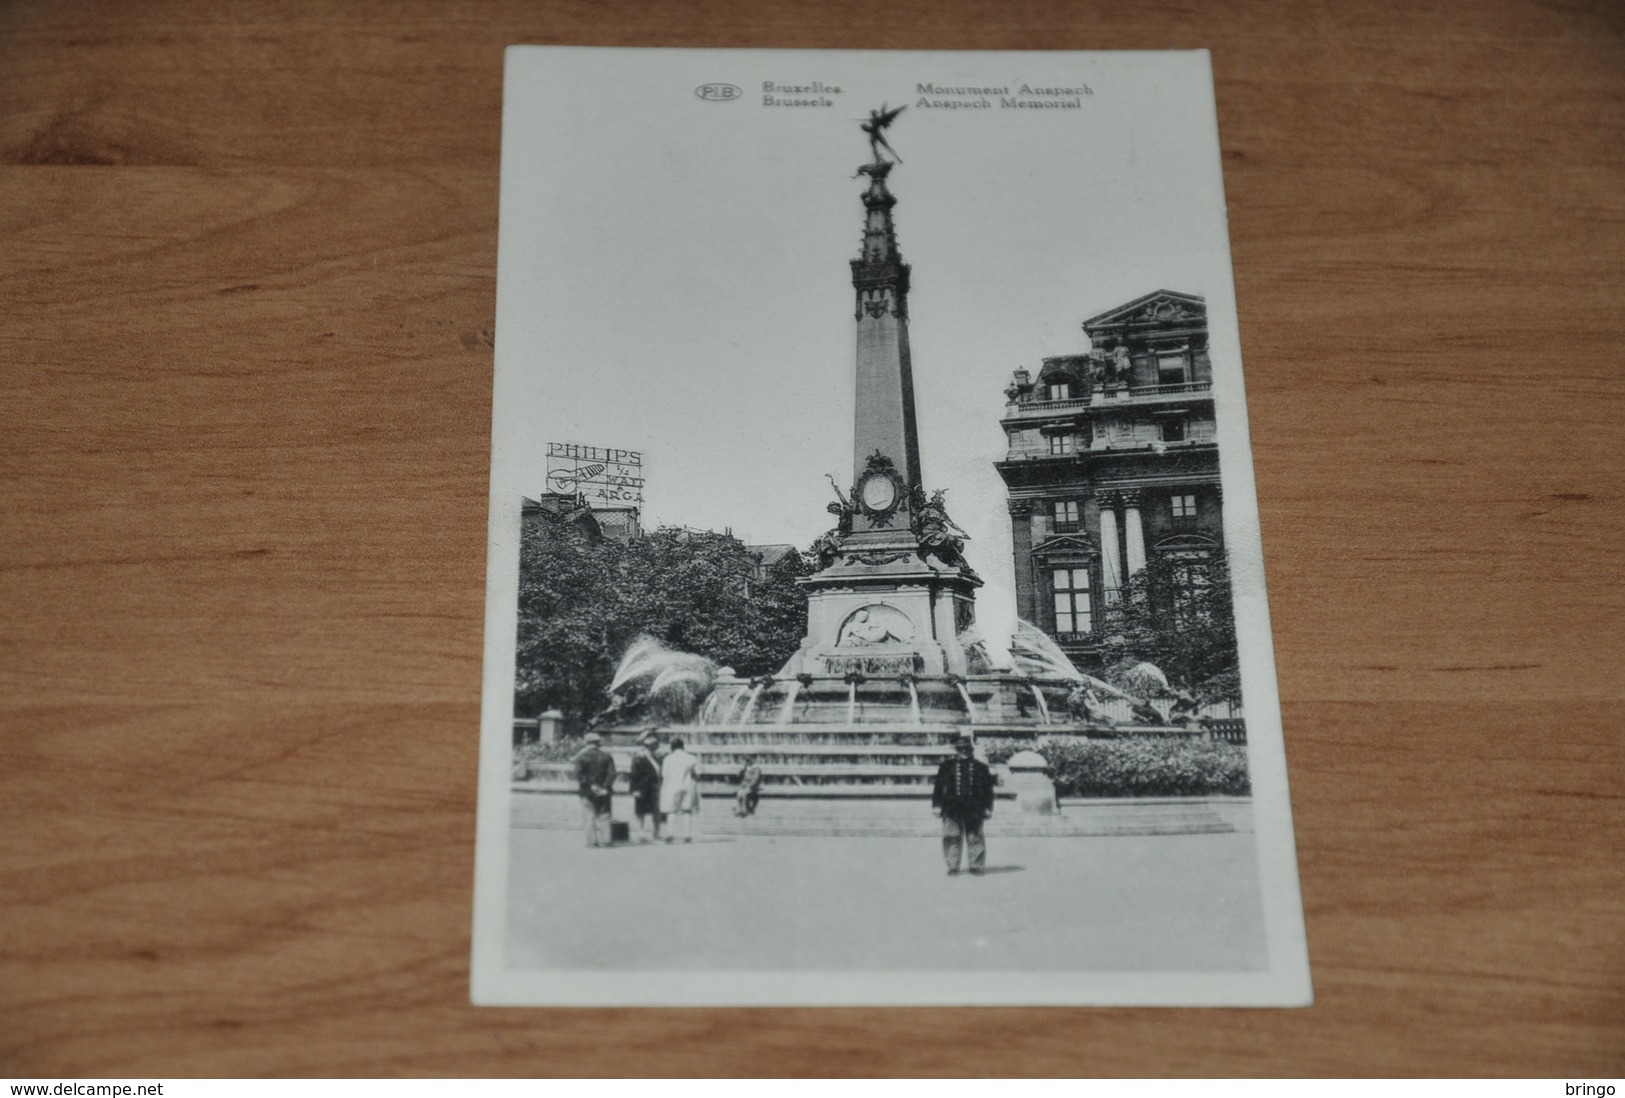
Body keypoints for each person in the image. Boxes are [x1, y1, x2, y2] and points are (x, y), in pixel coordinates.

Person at [931, 731, 996, 876]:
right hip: (952, 808)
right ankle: (953, 866)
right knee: (951, 836)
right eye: (961, 749)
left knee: (975, 836)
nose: (964, 752)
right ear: (957, 750)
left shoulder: (981, 768)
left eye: (967, 749)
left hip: (974, 808)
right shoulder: (947, 767)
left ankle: (976, 865)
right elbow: (939, 788)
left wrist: (988, 808)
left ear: (971, 750)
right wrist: (937, 805)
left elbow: (988, 790)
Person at [572, 731, 617, 848]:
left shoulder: (581, 757)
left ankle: (591, 842)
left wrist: (591, 785)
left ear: (587, 743)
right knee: (604, 815)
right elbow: (612, 774)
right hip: (604, 791)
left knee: (588, 816)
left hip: (587, 791)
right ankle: (605, 841)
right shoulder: (607, 756)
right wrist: (605, 787)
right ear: (598, 743)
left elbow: (577, 775)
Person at [659, 736, 702, 843]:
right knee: (687, 810)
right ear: (683, 747)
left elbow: (664, 774)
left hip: (672, 786)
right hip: (688, 786)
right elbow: (698, 774)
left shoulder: (668, 758)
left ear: (672, 748)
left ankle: (670, 834)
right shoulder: (691, 758)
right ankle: (687, 835)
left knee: (671, 811)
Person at [628, 729, 663, 842]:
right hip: (642, 788)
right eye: (650, 746)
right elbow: (633, 775)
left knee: (656, 812)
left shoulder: (658, 758)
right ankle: (641, 833)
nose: (652, 748)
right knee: (640, 812)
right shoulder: (639, 758)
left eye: (653, 746)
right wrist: (634, 789)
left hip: (655, 788)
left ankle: (656, 833)